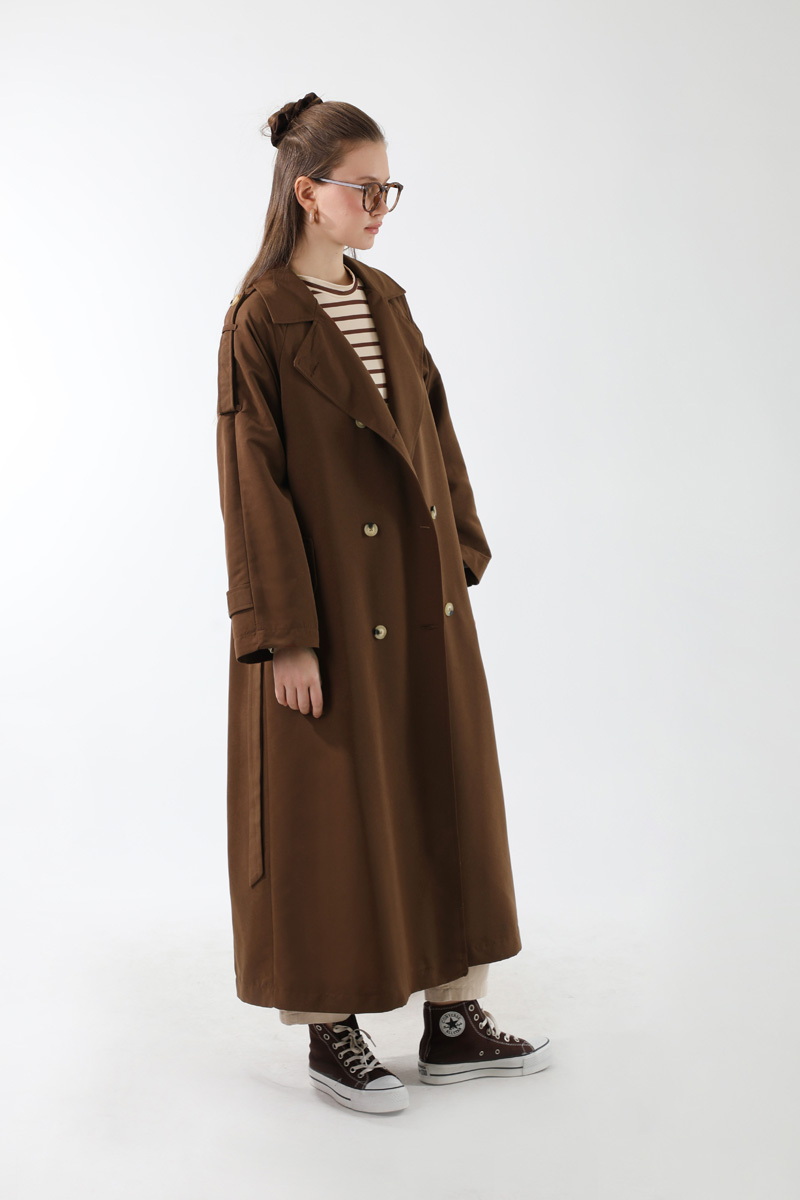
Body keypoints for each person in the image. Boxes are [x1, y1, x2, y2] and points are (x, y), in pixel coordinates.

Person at [215, 92, 551, 1114]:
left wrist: (460, 553)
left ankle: (453, 1018)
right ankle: (334, 1029)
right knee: (332, 812)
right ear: (306, 192)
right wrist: (284, 639)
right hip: (327, 608)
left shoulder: (386, 297)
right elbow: (252, 483)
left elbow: (433, 431)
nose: (378, 205)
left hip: (417, 592)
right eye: (363, 188)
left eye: (386, 188)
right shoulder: (261, 317)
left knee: (443, 788)